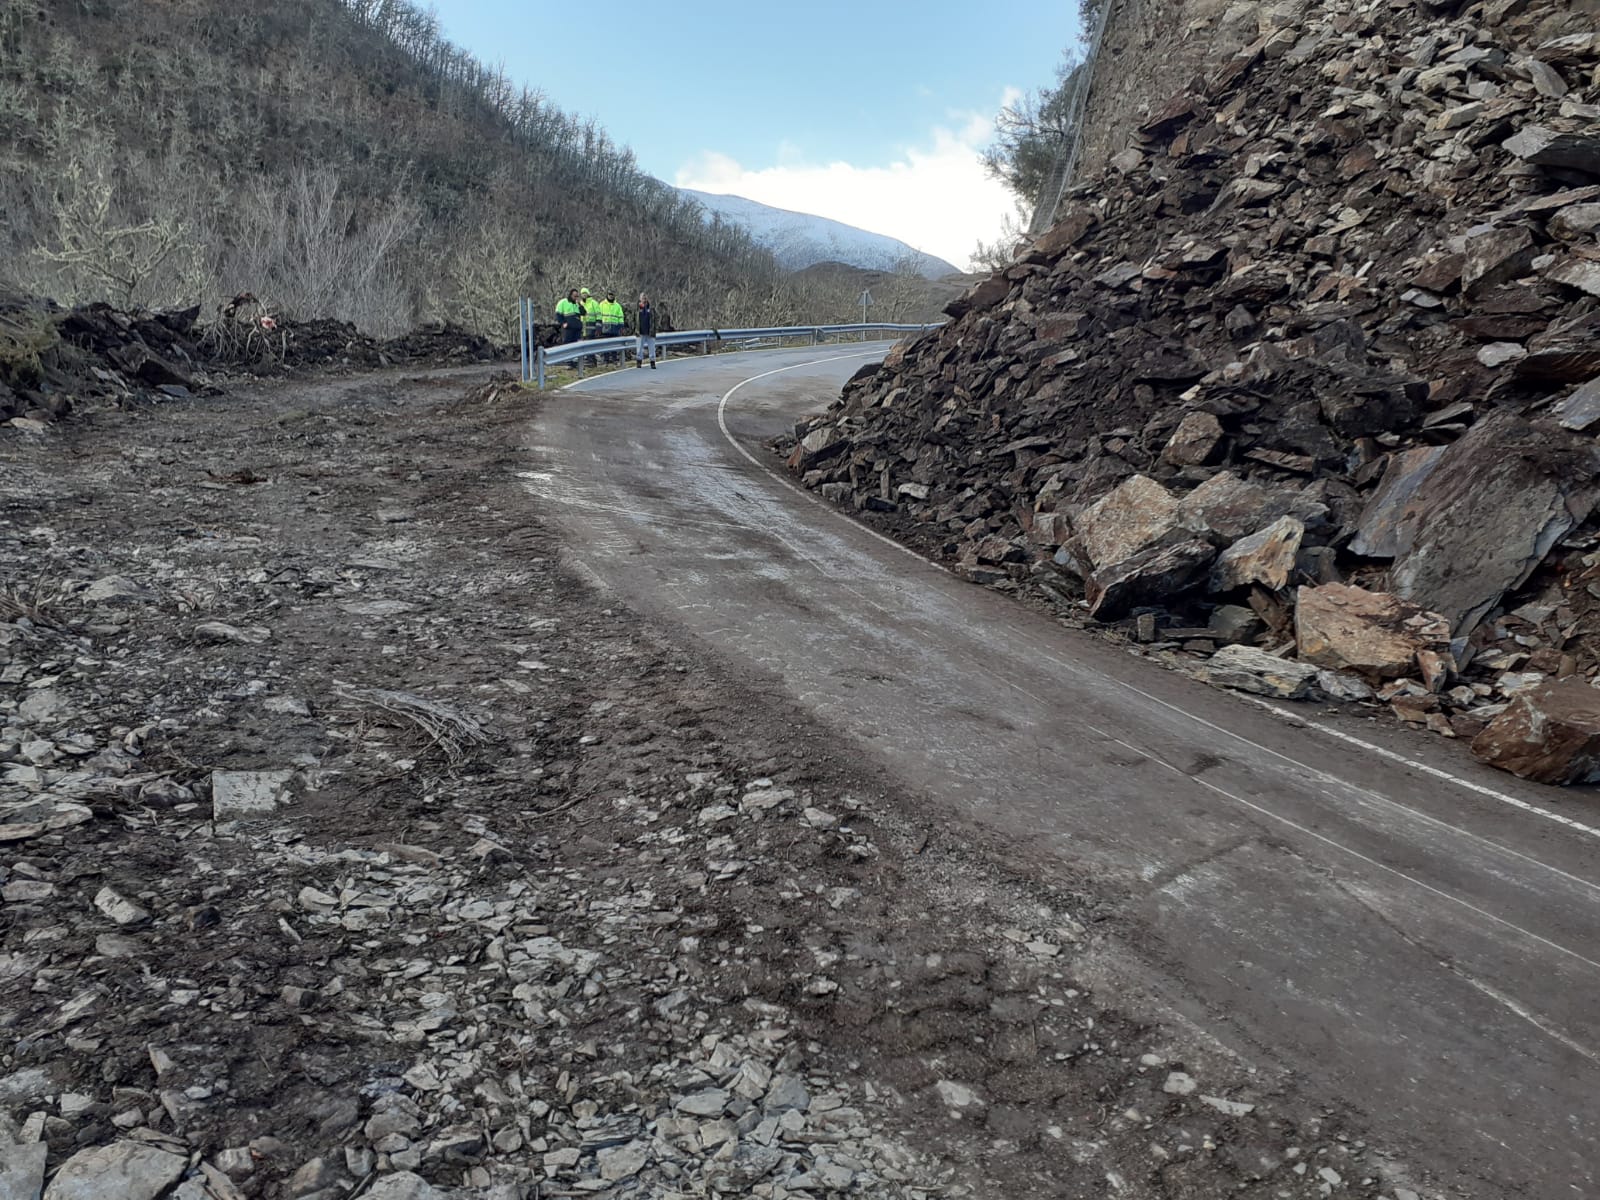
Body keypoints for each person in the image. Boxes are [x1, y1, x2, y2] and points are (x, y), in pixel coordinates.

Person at [599, 289, 625, 364]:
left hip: (614, 328)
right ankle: (606, 360)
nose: (610, 296)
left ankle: (614, 359)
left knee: (614, 345)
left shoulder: (617, 306)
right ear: (607, 295)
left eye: (612, 295)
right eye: (609, 294)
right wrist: (599, 326)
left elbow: (620, 317)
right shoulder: (602, 304)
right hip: (605, 328)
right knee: (605, 345)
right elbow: (599, 316)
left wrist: (621, 327)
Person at [579, 287, 603, 365]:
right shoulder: (580, 303)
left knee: (590, 344)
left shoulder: (594, 303)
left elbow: (598, 314)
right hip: (583, 327)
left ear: (588, 294)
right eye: (582, 293)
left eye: (585, 293)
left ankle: (592, 361)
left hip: (591, 326)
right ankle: (589, 360)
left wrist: (598, 325)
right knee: (584, 345)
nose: (584, 295)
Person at [635, 293, 658, 369]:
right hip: (640, 331)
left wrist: (655, 329)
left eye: (645, 298)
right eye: (642, 298)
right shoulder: (637, 309)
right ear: (640, 299)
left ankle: (652, 362)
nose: (644, 299)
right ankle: (639, 362)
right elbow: (633, 319)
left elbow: (655, 319)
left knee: (652, 349)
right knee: (639, 349)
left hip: (650, 332)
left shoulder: (651, 308)